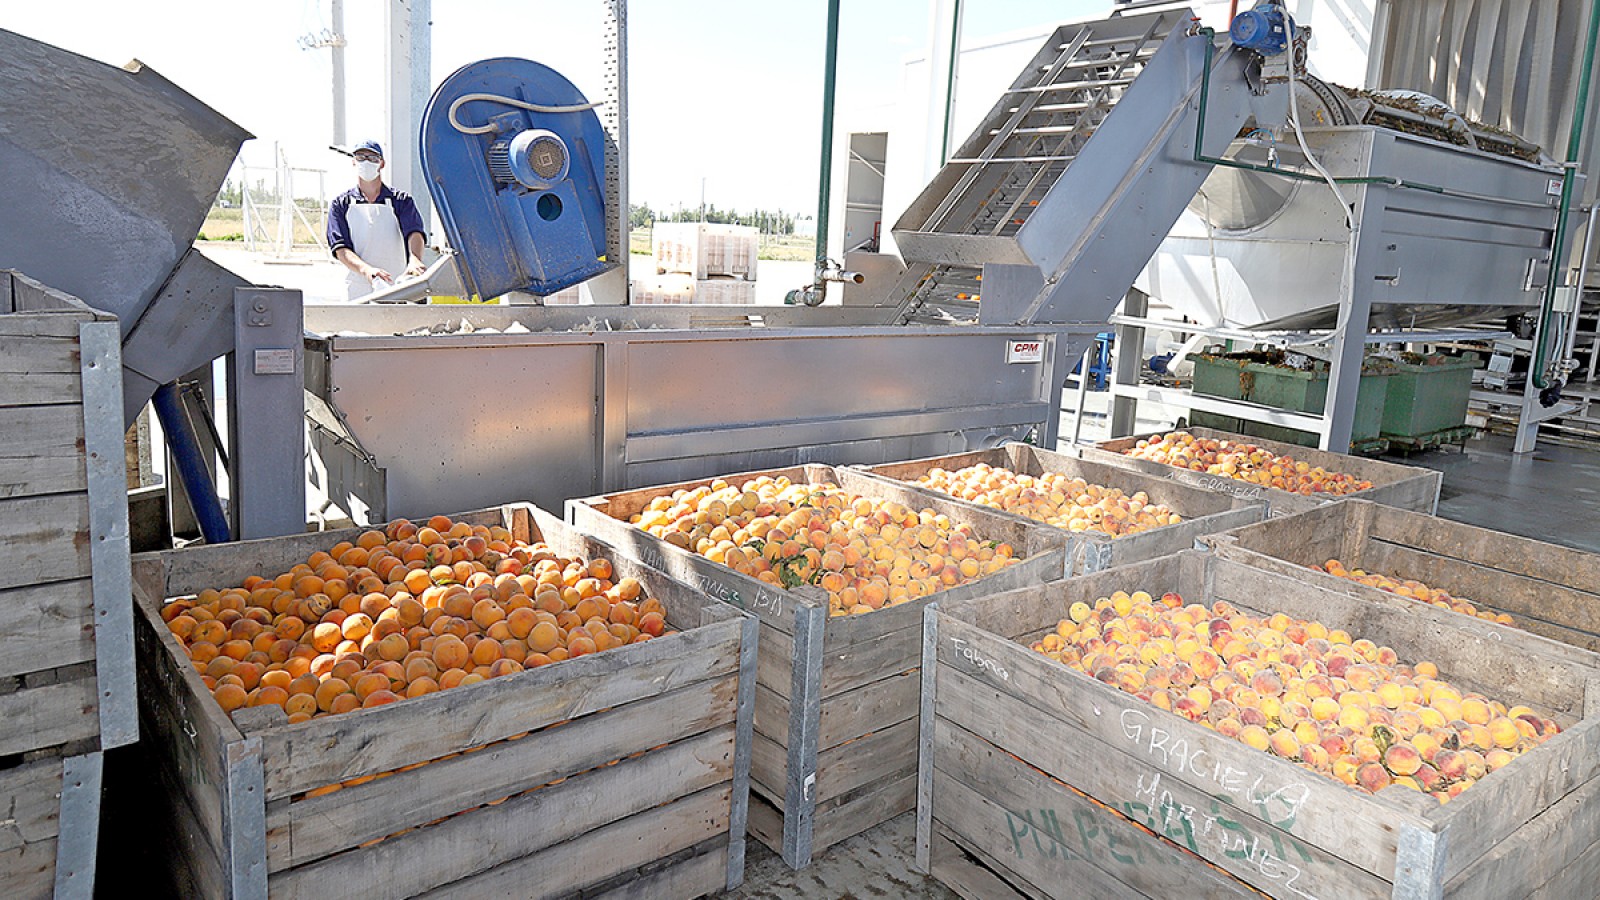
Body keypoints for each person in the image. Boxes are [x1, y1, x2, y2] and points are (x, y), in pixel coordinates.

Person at [326, 140, 428, 300]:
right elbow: (341, 249)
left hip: (399, 285)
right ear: (354, 161)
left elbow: (414, 232)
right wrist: (367, 271)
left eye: (372, 158)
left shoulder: (401, 200)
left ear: (382, 164)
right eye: (361, 157)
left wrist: (415, 260)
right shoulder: (341, 204)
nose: (366, 162)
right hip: (358, 289)